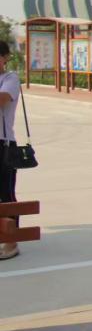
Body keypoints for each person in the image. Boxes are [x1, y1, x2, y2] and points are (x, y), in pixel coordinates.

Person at [0, 42, 21, 261]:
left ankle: (11, 242)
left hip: (3, 144)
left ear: (5, 57)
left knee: (6, 193)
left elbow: (2, 99)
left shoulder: (10, 79)